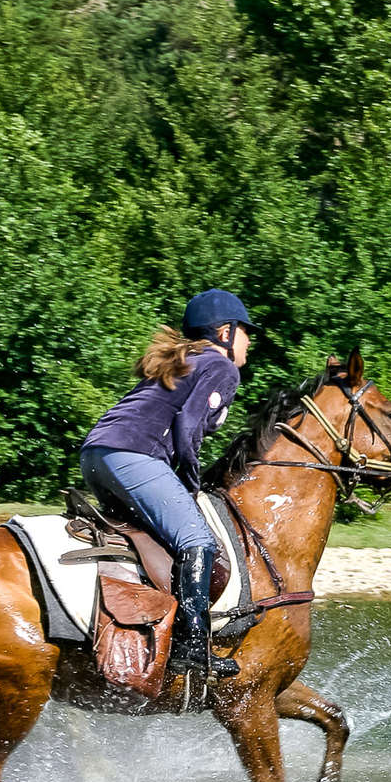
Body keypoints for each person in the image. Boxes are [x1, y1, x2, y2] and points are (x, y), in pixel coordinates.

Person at [79, 289, 253, 682]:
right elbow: (188, 426)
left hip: (96, 454)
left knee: (153, 537)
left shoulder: (189, 359)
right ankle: (193, 646)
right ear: (225, 332)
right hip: (134, 454)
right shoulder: (222, 367)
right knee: (197, 539)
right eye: (245, 332)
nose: (249, 342)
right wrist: (191, 485)